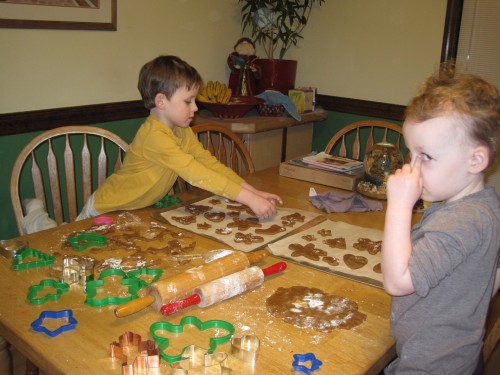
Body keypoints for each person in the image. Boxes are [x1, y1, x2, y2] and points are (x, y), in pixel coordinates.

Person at [382, 69, 500, 374]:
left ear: (475, 161)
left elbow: (397, 281)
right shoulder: (478, 207)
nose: (412, 167)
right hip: (451, 358)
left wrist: (398, 205)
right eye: (411, 153)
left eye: (426, 157)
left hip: (431, 366)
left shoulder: (464, 220)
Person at [77, 55, 281, 221]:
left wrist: (254, 193)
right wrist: (249, 200)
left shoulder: (181, 129)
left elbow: (209, 164)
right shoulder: (155, 137)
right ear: (161, 101)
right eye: (188, 101)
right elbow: (196, 173)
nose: (195, 107)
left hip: (135, 211)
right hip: (104, 210)